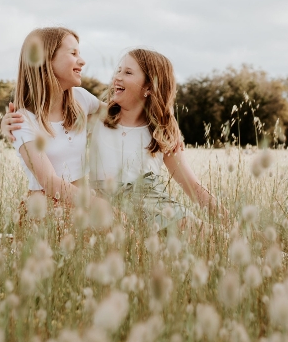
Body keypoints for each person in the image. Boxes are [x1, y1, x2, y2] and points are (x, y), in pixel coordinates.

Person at [89, 49, 217, 231]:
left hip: (155, 206)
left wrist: (231, 221)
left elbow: (193, 187)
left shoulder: (161, 134)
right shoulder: (95, 116)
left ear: (149, 87)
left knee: (211, 237)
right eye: (118, 70)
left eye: (128, 72)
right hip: (105, 208)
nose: (117, 77)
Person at [8, 27, 103, 207]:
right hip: (48, 213)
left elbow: (120, 116)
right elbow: (50, 182)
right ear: (45, 60)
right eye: (73, 53)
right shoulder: (23, 121)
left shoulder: (81, 98)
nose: (82, 61)